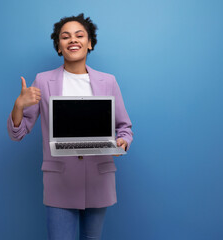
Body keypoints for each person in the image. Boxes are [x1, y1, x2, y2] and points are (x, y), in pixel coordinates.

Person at [7, 13, 133, 240]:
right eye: (65, 37)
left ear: (89, 43)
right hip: (60, 179)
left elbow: (124, 128)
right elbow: (19, 132)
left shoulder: (109, 81)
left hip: (98, 176)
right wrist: (18, 105)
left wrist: (123, 141)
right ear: (59, 47)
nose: (73, 40)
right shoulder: (43, 81)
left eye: (79, 35)